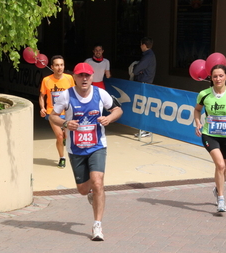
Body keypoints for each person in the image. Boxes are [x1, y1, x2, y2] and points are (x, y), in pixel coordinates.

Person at [49, 62, 123, 241]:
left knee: (98, 182)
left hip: (97, 146)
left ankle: (97, 225)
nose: (84, 79)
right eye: (80, 75)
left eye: (87, 75)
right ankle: (90, 194)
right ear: (74, 77)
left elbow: (118, 109)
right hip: (76, 149)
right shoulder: (66, 96)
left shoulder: (100, 93)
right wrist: (66, 123)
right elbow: (52, 116)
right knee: (83, 190)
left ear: (92, 77)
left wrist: (109, 118)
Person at [194, 64, 226, 212]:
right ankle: (221, 199)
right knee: (220, 165)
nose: (218, 79)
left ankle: (218, 189)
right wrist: (197, 122)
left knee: (224, 168)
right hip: (209, 135)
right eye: (215, 76)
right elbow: (197, 110)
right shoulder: (204, 94)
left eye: (221, 76)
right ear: (211, 78)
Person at [39, 55, 75, 168]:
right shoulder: (46, 80)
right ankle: (62, 157)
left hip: (67, 113)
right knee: (59, 136)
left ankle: (64, 140)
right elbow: (41, 95)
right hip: (52, 113)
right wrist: (42, 107)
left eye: (61, 65)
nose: (59, 67)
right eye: (57, 65)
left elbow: (74, 94)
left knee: (66, 136)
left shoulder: (69, 78)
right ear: (52, 67)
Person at [132, 37, 157, 138]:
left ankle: (145, 130)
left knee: (144, 107)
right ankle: (144, 129)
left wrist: (137, 69)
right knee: (143, 106)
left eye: (141, 44)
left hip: (144, 84)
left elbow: (136, 69)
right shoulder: (150, 55)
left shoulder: (148, 56)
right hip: (145, 83)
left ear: (144, 45)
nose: (140, 46)